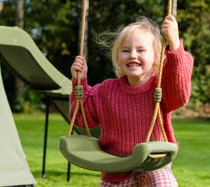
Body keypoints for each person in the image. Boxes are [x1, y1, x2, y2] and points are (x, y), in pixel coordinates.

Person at [70, 15, 194, 187]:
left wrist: (174, 46)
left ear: (156, 57)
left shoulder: (161, 88)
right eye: (126, 50)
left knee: (165, 184)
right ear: (117, 56)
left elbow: (180, 93)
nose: (133, 55)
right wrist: (79, 81)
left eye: (141, 50)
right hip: (116, 168)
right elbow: (81, 119)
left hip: (153, 163)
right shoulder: (106, 90)